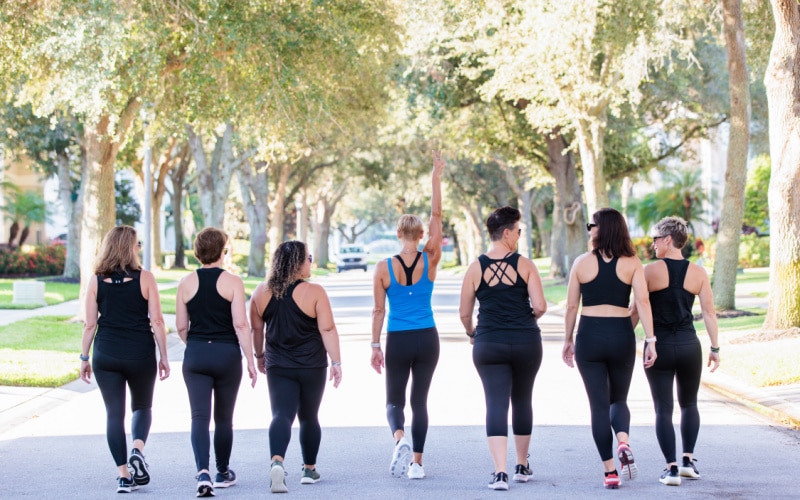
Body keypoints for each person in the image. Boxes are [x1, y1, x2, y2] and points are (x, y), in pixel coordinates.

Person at [561, 208, 657, 489]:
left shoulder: (581, 263)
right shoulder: (632, 263)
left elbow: (570, 307)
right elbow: (643, 302)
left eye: (592, 224)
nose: (589, 228)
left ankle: (610, 472)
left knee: (598, 406)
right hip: (621, 334)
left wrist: (568, 340)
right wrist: (650, 340)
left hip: (589, 335)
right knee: (619, 400)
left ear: (601, 229)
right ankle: (623, 441)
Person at [459, 206, 548, 491]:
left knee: (496, 403)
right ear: (507, 233)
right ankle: (521, 465)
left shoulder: (475, 267)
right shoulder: (525, 265)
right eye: (519, 231)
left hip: (488, 343)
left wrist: (473, 332)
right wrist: (524, 320)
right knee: (522, 400)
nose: (520, 236)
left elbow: (464, 313)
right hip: (526, 342)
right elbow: (541, 306)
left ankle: (500, 473)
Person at [370, 150, 445, 480]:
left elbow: (378, 309)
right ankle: (417, 464)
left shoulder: (384, 268)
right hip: (427, 338)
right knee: (420, 402)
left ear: (400, 235)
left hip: (398, 338)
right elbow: (438, 214)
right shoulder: (431, 258)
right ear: (422, 236)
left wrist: (375, 344)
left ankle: (399, 438)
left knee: (394, 402)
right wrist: (436, 177)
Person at [80, 225, 170, 493]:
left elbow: (89, 324)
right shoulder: (145, 278)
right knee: (142, 407)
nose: (139, 247)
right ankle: (137, 449)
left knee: (114, 414)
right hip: (140, 352)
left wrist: (84, 357)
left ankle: (123, 475)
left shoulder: (95, 280)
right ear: (130, 248)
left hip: (106, 353)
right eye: (137, 244)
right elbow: (157, 320)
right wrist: (164, 355)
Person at [631, 217, 720, 486]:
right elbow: (708, 312)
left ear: (668, 240)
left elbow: (637, 311)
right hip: (689, 345)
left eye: (656, 238)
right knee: (689, 404)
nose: (653, 243)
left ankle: (670, 468)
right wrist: (715, 348)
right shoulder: (699, 273)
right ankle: (688, 461)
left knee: (662, 408)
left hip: (658, 347)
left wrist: (620, 338)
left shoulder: (649, 271)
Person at [250, 240, 343, 494]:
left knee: (281, 414)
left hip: (278, 364)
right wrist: (336, 362)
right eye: (308, 258)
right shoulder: (314, 292)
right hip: (312, 365)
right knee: (309, 416)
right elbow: (327, 329)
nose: (311, 262)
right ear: (298, 263)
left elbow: (257, 330)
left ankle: (277, 462)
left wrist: (259, 356)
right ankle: (309, 470)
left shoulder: (261, 292)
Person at [175, 227, 257, 497]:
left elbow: (181, 327)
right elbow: (241, 325)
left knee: (199, 416)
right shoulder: (233, 282)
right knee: (223, 418)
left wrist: (197, 346)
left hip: (196, 354)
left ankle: (202, 472)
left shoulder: (185, 283)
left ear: (197, 252)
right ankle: (223, 471)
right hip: (226, 355)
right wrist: (251, 359)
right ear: (223, 250)